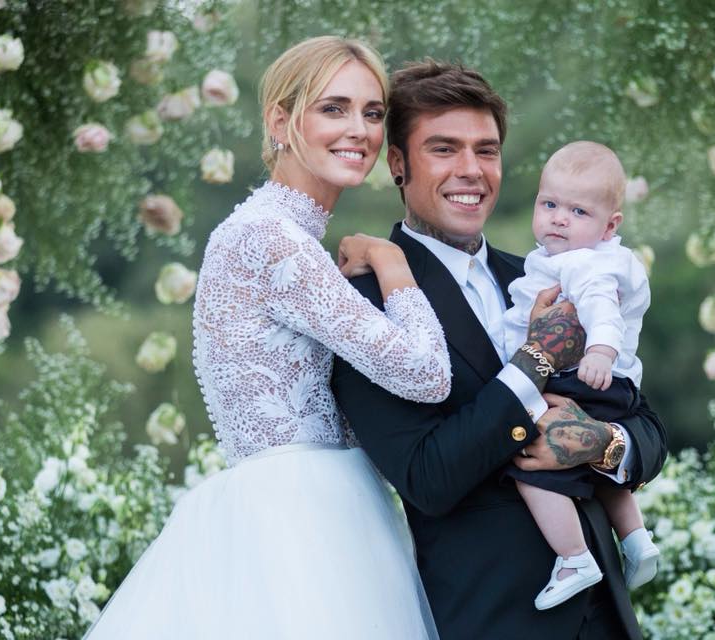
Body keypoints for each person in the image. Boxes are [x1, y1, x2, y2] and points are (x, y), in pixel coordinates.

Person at [85, 37, 453, 640]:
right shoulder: (271, 240)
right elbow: (426, 373)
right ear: (281, 121)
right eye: (333, 108)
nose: (359, 130)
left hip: (311, 505)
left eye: (372, 112)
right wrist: (393, 264)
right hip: (300, 521)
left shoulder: (277, 235)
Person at [331, 60, 668, 640]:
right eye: (444, 149)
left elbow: (646, 424)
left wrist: (602, 444)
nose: (471, 170)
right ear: (397, 164)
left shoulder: (544, 274)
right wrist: (536, 358)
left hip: (608, 621)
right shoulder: (360, 304)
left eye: (486, 151)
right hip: (494, 620)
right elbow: (427, 477)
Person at [501, 140, 660, 611]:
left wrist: (600, 352)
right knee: (595, 465)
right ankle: (636, 539)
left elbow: (600, 307)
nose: (559, 219)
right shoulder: (578, 256)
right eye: (549, 204)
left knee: (530, 467)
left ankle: (573, 558)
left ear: (610, 225)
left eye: (578, 211)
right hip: (613, 384)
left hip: (585, 376)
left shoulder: (584, 263)